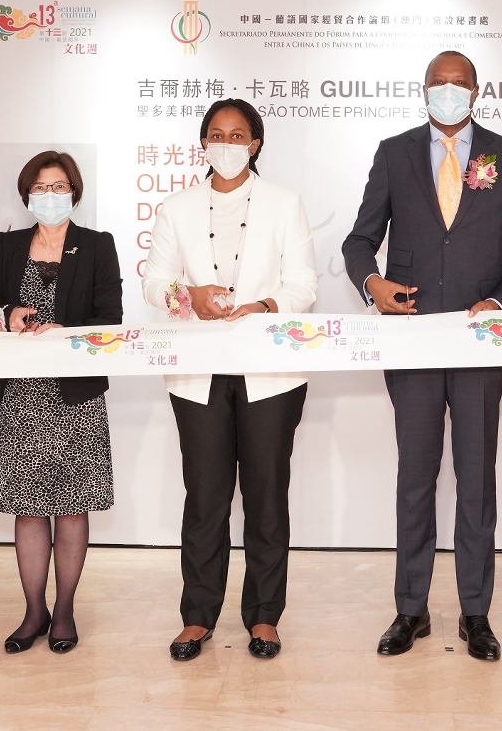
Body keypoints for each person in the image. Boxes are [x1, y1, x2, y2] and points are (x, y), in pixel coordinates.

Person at [342, 51, 502, 661]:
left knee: (476, 479)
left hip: (479, 343)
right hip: (411, 337)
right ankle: (411, 609)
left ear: (477, 92)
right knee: (415, 478)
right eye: (440, 83)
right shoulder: (394, 153)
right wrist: (372, 285)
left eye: (460, 84)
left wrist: (500, 301)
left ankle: (475, 612)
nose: (449, 91)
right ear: (424, 90)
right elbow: (359, 240)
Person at [143, 99, 317, 661]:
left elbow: (304, 285)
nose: (226, 143)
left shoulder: (284, 202)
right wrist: (187, 296)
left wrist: (264, 305)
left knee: (266, 495)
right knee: (206, 497)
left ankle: (264, 616)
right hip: (199, 372)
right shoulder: (177, 208)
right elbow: (155, 284)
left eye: (237, 135)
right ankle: (197, 616)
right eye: (216, 135)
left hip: (270, 370)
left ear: (255, 144)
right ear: (203, 144)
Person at [0, 151, 122, 655]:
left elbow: (111, 317)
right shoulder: (7, 245)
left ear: (74, 192)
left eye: (58, 186)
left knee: (71, 507)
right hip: (21, 394)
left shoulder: (97, 245)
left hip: (74, 396)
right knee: (27, 509)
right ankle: (33, 611)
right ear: (27, 194)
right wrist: (7, 313)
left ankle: (63, 611)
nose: (49, 195)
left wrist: (68, 332)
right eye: (40, 188)